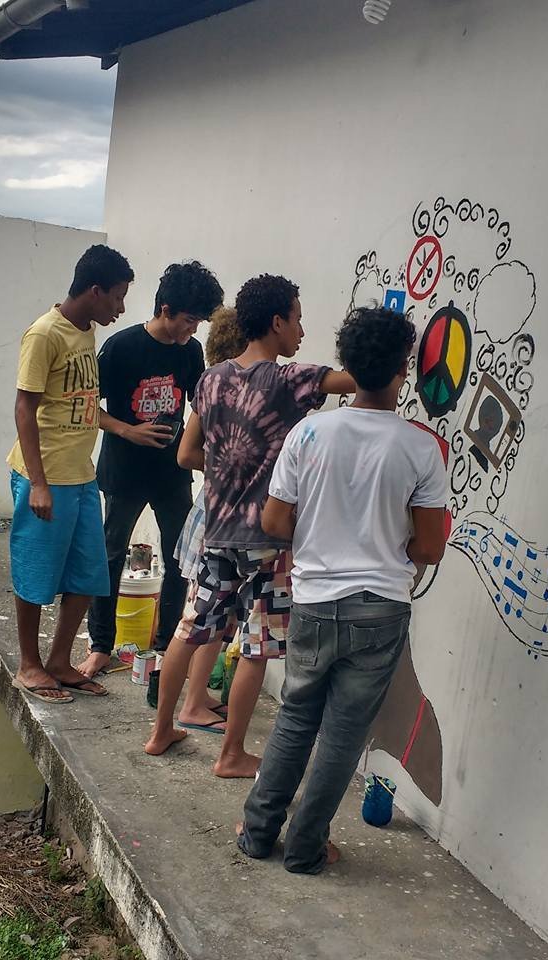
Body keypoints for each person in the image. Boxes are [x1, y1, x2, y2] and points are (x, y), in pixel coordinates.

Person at [236, 304, 448, 872]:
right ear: (404, 370)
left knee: (296, 716)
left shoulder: (309, 432)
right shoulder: (420, 448)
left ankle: (257, 834)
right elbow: (429, 548)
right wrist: (385, 544)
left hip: (313, 599)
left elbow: (277, 523)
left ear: (349, 366)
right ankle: (306, 850)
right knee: (343, 733)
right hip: (380, 609)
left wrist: (324, 535)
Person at [144, 274, 356, 776]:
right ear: (277, 322)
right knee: (258, 645)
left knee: (190, 629)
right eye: (298, 319)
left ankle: (159, 732)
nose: (302, 331)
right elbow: (357, 378)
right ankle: (232, 753)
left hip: (216, 530)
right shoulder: (288, 380)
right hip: (267, 537)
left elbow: (188, 453)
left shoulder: (211, 378)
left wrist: (224, 469)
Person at [78, 262, 224, 679]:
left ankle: (164, 647)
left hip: (172, 471)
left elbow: (199, 406)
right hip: (124, 469)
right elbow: (89, 406)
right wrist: (129, 430)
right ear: (165, 309)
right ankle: (100, 646)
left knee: (181, 557)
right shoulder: (121, 347)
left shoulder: (190, 352)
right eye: (188, 321)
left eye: (197, 322)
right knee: (110, 553)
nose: (192, 331)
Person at [8, 245, 134, 704]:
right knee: (36, 572)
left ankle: (59, 661)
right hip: (46, 478)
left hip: (81, 477)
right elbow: (25, 407)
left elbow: (80, 403)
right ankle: (29, 665)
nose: (120, 308)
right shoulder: (45, 334)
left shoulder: (86, 333)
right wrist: (38, 483)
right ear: (95, 290)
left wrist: (123, 429)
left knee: (87, 573)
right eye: (117, 298)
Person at [170, 306, 247, 728]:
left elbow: (187, 454)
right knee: (208, 619)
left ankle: (194, 699)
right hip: (222, 514)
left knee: (211, 615)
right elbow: (185, 454)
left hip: (210, 509)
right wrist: (236, 471)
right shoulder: (227, 389)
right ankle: (193, 704)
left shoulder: (212, 384)